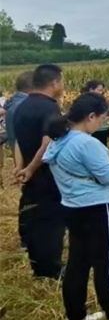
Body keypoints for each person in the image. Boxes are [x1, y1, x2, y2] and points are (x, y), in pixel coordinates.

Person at [41, 92, 109, 320]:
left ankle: (76, 318)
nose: (102, 122)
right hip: (99, 209)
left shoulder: (60, 140)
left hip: (72, 207)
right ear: (90, 116)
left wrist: (107, 158)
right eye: (101, 118)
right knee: (108, 263)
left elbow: (81, 166)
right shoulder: (87, 143)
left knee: (78, 262)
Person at [13, 64, 68, 279]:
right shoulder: (48, 108)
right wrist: (31, 168)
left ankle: (38, 268)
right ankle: (52, 271)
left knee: (35, 222)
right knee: (51, 224)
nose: (62, 86)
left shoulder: (22, 106)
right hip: (46, 177)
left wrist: (20, 167)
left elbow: (17, 141)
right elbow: (48, 143)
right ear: (54, 83)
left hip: (31, 178)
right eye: (61, 81)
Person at [4, 71, 33, 250]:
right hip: (27, 156)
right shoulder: (23, 105)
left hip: (19, 155)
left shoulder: (13, 103)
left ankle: (26, 238)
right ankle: (28, 239)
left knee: (28, 196)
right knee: (31, 198)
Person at [84, 80, 109, 146]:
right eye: (99, 90)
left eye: (102, 90)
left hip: (103, 128)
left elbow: (108, 112)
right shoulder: (86, 101)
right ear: (91, 90)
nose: (101, 92)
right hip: (94, 130)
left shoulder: (102, 100)